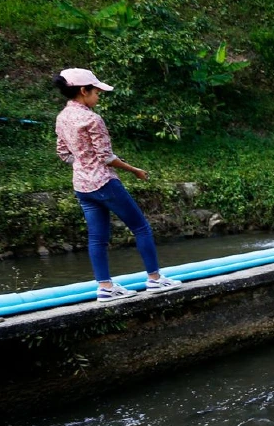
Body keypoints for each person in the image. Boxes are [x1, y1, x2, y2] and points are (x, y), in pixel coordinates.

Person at [53, 68, 180, 302]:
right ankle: (154, 279)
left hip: (82, 186)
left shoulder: (62, 117)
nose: (98, 96)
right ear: (83, 91)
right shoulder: (92, 118)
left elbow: (63, 154)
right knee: (141, 227)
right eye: (96, 91)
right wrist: (135, 170)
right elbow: (106, 157)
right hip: (104, 183)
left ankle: (105, 287)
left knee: (96, 238)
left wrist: (82, 163)